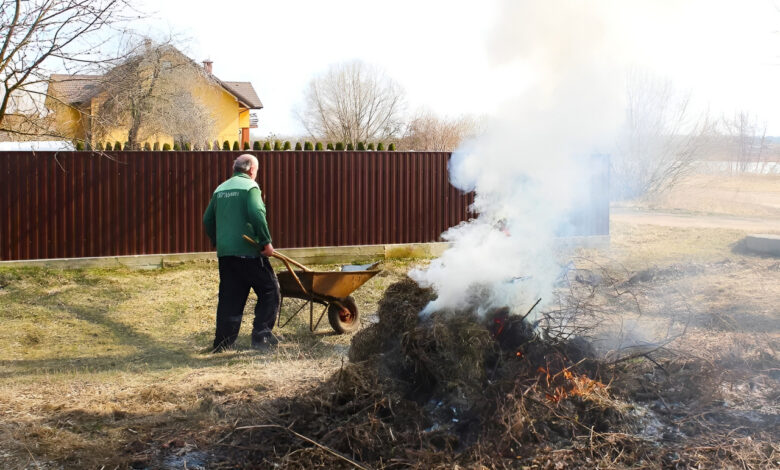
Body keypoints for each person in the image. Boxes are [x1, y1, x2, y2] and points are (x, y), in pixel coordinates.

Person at [203, 154, 281, 352]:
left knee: (230, 298)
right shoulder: (250, 188)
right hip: (249, 253)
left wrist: (218, 241)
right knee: (270, 290)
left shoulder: (220, 189)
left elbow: (207, 220)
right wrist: (266, 242)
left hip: (226, 255)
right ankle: (261, 338)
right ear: (252, 170)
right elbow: (257, 213)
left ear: (235, 169)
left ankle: (223, 343)